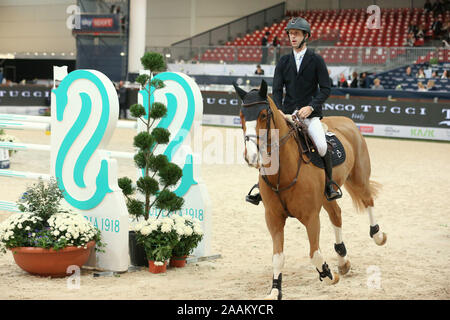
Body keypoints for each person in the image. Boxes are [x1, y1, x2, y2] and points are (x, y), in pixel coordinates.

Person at [270, 16, 340, 202]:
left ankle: (329, 184)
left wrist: (311, 107)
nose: (292, 37)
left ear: (305, 36)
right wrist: (278, 110)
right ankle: (262, 188)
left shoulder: (316, 60)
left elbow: (325, 89)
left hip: (309, 115)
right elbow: (276, 89)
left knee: (323, 146)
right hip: (287, 115)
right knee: (267, 145)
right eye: (290, 34)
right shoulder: (283, 61)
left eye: (296, 34)